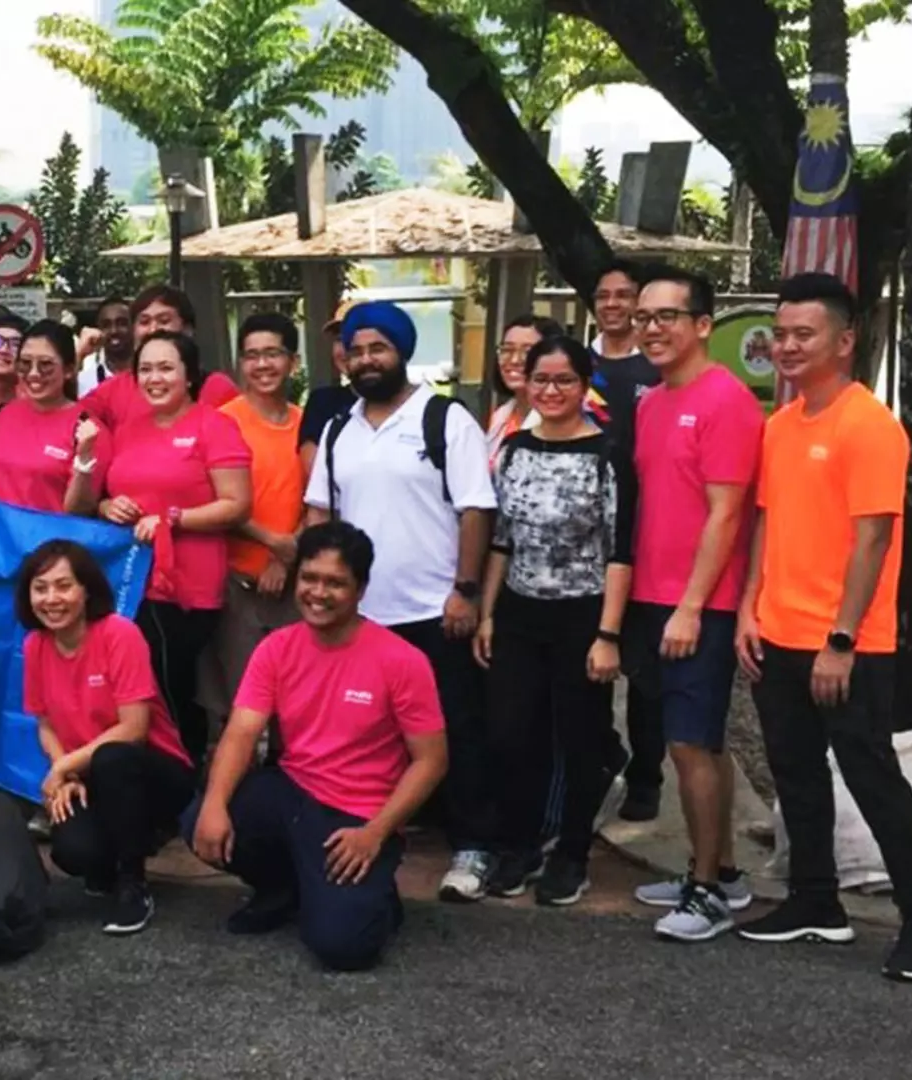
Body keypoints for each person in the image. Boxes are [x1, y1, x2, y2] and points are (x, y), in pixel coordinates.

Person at [733, 273, 912, 982]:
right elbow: (767, 522)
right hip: (777, 633)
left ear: (845, 341)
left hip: (847, 644)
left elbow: (873, 540)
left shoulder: (869, 425)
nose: (788, 346)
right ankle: (814, 901)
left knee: (872, 779)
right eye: (781, 334)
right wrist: (749, 606)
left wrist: (841, 639)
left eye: (805, 334)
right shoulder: (780, 427)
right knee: (796, 774)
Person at [301, 300, 500, 903]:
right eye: (356, 350)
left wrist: (465, 591)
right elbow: (320, 513)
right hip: (359, 616)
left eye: (378, 348)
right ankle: (381, 832)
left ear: (402, 352)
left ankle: (473, 846)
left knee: (455, 727)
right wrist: (317, 594)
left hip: (434, 611)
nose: (366, 360)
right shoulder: (338, 429)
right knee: (369, 732)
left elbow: (476, 508)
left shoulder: (445, 419)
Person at [186, 522, 447, 972]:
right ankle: (283, 889)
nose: (318, 593)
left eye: (335, 583)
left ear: (360, 589)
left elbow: (432, 760)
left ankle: (376, 897)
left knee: (343, 947)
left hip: (358, 814)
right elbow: (242, 732)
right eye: (309, 578)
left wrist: (376, 833)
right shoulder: (277, 648)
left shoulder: (402, 661)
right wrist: (214, 804)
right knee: (199, 819)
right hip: (292, 790)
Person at [622, 265, 764, 942]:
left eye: (667, 316)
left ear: (703, 324)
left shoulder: (726, 400)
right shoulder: (652, 402)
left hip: (698, 604)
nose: (652, 328)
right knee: (694, 741)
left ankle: (707, 892)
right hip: (651, 595)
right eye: (643, 317)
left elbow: (727, 514)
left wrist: (691, 605)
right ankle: (720, 870)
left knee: (690, 743)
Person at [473, 335, 635, 906]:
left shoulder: (608, 453)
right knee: (511, 733)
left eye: (565, 380)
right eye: (541, 379)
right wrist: (487, 614)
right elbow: (502, 541)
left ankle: (572, 853)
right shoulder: (516, 448)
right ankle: (520, 846)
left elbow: (620, 550)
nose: (551, 390)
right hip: (519, 613)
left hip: (583, 616)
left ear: (585, 385)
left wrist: (608, 635)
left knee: (580, 737)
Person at [86, 331, 251, 771]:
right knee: (139, 685)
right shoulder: (128, 429)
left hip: (187, 585)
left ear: (189, 375)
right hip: (130, 580)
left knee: (172, 683)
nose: (154, 378)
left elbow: (237, 505)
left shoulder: (214, 425)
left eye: (165, 368)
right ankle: (155, 774)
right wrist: (107, 506)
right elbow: (105, 493)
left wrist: (173, 519)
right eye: (145, 369)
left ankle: (184, 772)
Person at [19, 540, 194, 935]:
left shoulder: (119, 633)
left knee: (113, 758)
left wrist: (64, 767)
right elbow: (45, 722)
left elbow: (134, 729)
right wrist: (67, 773)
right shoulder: (35, 646)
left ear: (87, 591)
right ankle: (110, 861)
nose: (51, 598)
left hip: (151, 769)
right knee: (74, 853)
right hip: (89, 770)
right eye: (40, 588)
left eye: (64, 586)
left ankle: (134, 883)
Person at [585, 258, 665, 823]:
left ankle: (646, 776)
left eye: (623, 295)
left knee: (643, 670)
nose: (612, 304)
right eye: (603, 295)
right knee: (584, 658)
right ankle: (601, 753)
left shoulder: (657, 369)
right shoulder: (575, 363)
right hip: (583, 541)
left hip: (645, 531)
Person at [202, 313, 305, 719]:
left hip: (296, 583)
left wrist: (284, 556)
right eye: (251, 356)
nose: (262, 365)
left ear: (293, 362)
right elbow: (215, 499)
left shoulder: (307, 424)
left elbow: (319, 498)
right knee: (239, 704)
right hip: (235, 582)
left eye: (272, 354)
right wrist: (271, 542)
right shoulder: (222, 421)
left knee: (296, 701)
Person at [0, 320, 100, 514]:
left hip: (52, 533)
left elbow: (80, 512)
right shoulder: (0, 415)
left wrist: (84, 460)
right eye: (25, 363)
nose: (33, 373)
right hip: (0, 531)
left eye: (45, 364)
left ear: (68, 370)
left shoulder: (86, 428)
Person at [81, 284, 237, 431]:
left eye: (164, 320)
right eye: (144, 322)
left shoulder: (216, 388)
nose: (153, 329)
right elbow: (72, 418)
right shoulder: (114, 389)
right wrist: (79, 354)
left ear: (187, 329)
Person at [484, 315, 566, 466]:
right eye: (507, 350)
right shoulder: (500, 416)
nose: (514, 360)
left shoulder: (564, 422)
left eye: (528, 352)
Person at [297, 317, 355, 482]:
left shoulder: (415, 407)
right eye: (339, 340)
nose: (346, 349)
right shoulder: (323, 402)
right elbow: (317, 475)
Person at [75, 297, 134, 398]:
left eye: (121, 323)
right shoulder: (85, 381)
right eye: (106, 325)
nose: (114, 331)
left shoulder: (148, 377)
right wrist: (80, 353)